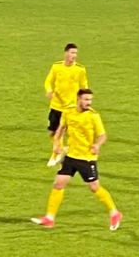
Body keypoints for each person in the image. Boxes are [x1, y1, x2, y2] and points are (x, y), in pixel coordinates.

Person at [30, 88, 122, 231]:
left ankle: (115, 213)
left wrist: (97, 145)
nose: (88, 102)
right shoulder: (68, 112)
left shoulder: (93, 116)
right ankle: (49, 218)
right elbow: (61, 129)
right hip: (71, 156)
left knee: (94, 187)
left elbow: (103, 135)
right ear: (78, 99)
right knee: (58, 184)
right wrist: (56, 144)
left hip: (87, 158)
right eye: (86, 99)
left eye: (90, 100)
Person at [43, 43, 89, 165]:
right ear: (66, 53)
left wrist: (83, 102)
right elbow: (48, 81)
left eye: (76, 53)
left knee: (61, 132)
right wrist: (49, 91)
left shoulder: (80, 69)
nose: (74, 56)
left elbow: (84, 87)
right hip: (56, 105)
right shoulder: (56, 67)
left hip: (70, 107)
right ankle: (61, 151)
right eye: (72, 53)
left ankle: (56, 155)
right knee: (52, 132)